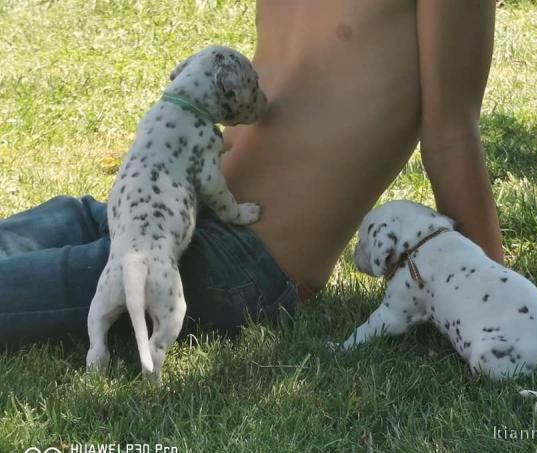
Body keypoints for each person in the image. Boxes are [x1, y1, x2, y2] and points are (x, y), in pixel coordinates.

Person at [0, 0, 502, 343]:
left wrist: (493, 295)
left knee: (69, 275)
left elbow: (451, 133)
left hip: (246, 261)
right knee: (68, 219)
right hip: (171, 198)